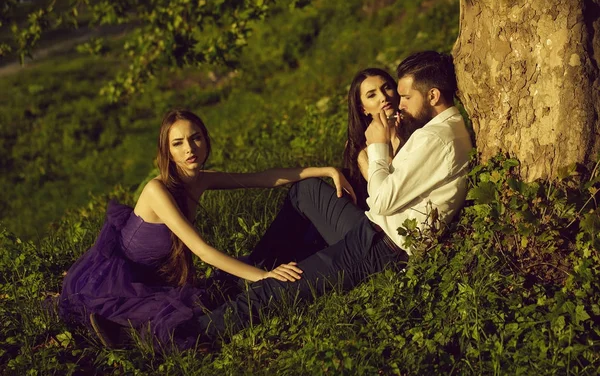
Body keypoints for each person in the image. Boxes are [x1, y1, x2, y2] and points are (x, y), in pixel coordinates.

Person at [191, 50, 474, 344]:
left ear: (433, 96)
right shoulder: (438, 131)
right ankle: (234, 289)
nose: (397, 103)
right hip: (375, 236)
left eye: (404, 96)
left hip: (383, 248)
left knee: (280, 288)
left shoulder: (434, 138)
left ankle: (194, 335)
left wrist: (377, 148)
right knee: (289, 266)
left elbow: (381, 201)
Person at [58, 109, 355, 350]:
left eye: (195, 138)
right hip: (125, 279)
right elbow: (202, 251)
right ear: (167, 151)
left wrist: (326, 170)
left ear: (205, 140)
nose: (190, 149)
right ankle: (127, 335)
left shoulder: (199, 179)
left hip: (160, 277)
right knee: (194, 311)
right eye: (178, 143)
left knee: (221, 291)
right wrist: (264, 277)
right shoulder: (156, 190)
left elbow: (262, 178)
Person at [342, 68, 403, 210]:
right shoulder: (359, 148)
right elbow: (385, 193)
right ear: (363, 109)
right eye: (371, 95)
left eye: (387, 88)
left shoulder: (416, 129)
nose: (383, 97)